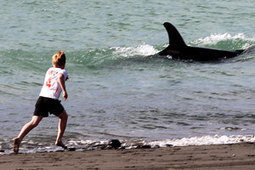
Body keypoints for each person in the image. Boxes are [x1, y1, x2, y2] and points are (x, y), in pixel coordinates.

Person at [13, 51, 69, 153]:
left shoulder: (49, 70)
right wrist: (64, 91)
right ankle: (59, 140)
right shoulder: (63, 71)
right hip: (51, 99)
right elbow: (60, 77)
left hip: (42, 98)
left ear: (53, 63)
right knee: (64, 117)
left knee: (34, 122)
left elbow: (54, 78)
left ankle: (19, 138)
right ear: (64, 63)